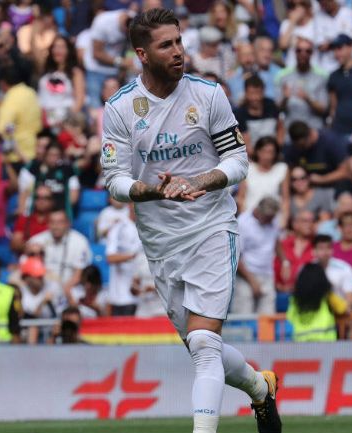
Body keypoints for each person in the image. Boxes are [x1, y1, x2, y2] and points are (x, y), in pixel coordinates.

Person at [101, 9, 279, 433]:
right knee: (203, 348)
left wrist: (202, 180)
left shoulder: (208, 95)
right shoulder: (122, 108)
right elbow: (115, 180)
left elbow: (238, 160)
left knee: (203, 346)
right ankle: (260, 387)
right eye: (167, 45)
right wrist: (152, 190)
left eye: (179, 41)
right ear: (142, 54)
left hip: (211, 228)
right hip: (161, 242)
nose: (179, 51)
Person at [27, 210, 91, 305]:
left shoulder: (80, 241)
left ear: (68, 223)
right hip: (41, 286)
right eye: (52, 222)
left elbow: (79, 274)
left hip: (70, 286)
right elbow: (27, 268)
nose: (56, 226)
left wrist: (65, 290)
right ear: (48, 224)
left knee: (76, 295)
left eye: (60, 222)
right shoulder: (36, 240)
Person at [235, 197, 281, 315]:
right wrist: (252, 281)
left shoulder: (273, 220)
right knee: (244, 318)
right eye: (268, 217)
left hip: (267, 275)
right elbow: (236, 256)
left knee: (268, 319)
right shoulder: (242, 223)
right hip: (246, 276)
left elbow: (275, 240)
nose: (270, 220)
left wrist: (285, 261)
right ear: (258, 210)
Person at [286, 262, 346, 342]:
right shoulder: (328, 297)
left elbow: (290, 318)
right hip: (326, 346)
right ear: (322, 279)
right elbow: (342, 308)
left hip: (300, 346)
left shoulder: (294, 300)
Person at [276, 38, 328, 130]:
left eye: (307, 51)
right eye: (299, 50)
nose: (303, 54)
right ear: (294, 53)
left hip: (314, 130)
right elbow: (277, 109)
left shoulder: (321, 78)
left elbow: (324, 110)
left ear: (312, 53)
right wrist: (285, 99)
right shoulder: (284, 77)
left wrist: (308, 99)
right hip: (291, 131)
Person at [236, 136, 289, 216]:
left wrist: (283, 220)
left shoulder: (282, 169)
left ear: (276, 154)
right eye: (263, 151)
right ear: (257, 151)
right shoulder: (247, 169)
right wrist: (245, 218)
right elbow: (241, 197)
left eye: (270, 152)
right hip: (250, 217)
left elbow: (285, 198)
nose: (267, 156)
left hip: (273, 219)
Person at [235, 75, 282, 150]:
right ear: (246, 93)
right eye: (252, 93)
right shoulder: (240, 114)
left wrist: (278, 149)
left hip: (274, 152)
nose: (255, 97)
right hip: (252, 158)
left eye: (258, 93)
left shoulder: (272, 106)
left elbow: (280, 128)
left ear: (263, 91)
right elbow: (246, 143)